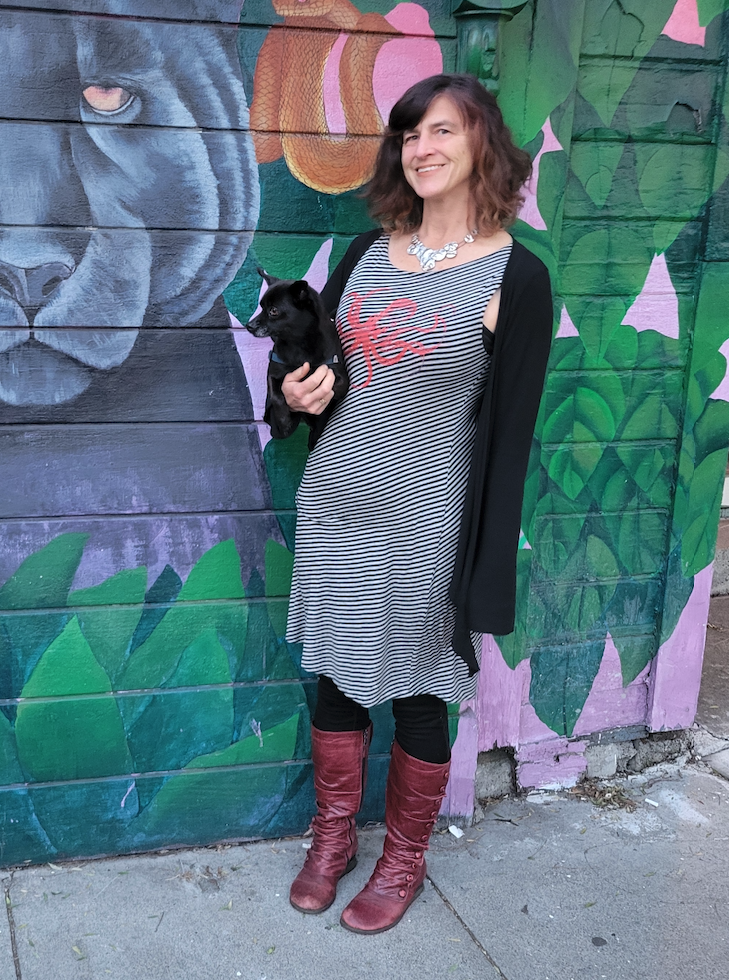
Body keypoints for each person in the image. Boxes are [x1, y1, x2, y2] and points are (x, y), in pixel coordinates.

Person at [273, 72, 552, 935]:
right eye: (408, 134)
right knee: (336, 675)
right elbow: (322, 370)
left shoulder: (516, 277)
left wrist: (487, 572)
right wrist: (298, 394)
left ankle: (403, 858)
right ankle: (332, 839)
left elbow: (510, 437)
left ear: (482, 144)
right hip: (336, 502)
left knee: (420, 691)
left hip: (426, 523)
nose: (421, 148)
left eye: (442, 131)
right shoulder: (366, 251)